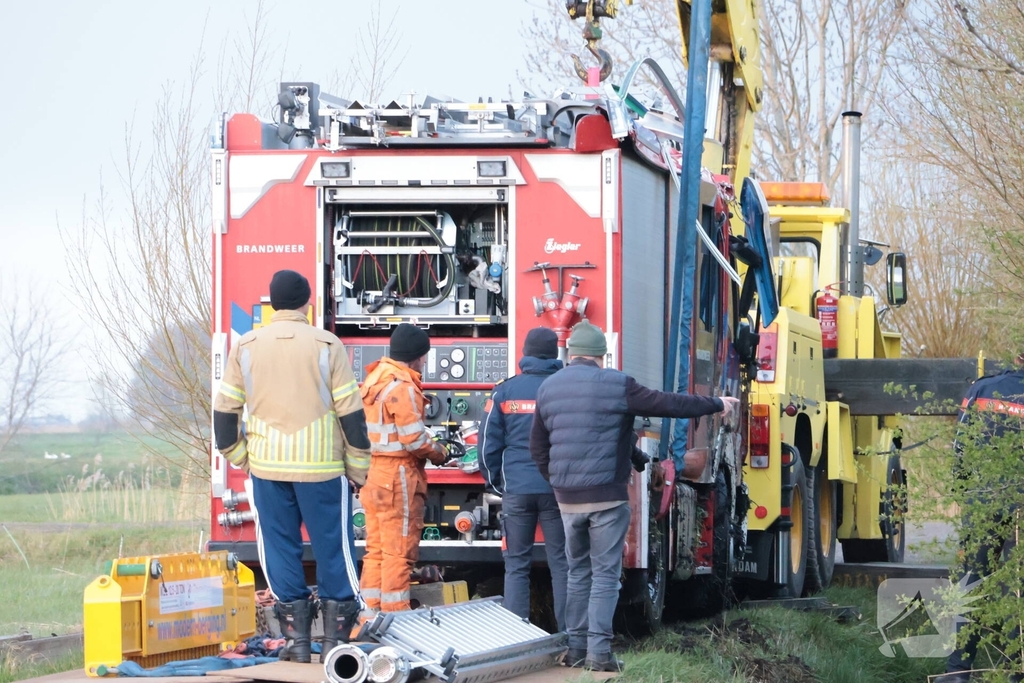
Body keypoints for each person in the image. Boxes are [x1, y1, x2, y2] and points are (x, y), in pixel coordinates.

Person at [530, 320, 739, 672]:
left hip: (567, 500)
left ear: (570, 354)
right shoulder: (616, 384)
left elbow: (537, 447)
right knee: (606, 575)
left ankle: (575, 650)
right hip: (607, 500)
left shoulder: (548, 388)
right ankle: (599, 654)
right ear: (601, 356)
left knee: (577, 574)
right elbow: (668, 403)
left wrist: (558, 482)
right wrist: (716, 402)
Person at [213, 269, 371, 663]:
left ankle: (296, 643)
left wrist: (240, 457)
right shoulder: (326, 344)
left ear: (271, 302)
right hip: (321, 469)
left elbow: (224, 411)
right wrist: (358, 467)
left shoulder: (245, 346)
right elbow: (351, 414)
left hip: (267, 469)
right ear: (307, 302)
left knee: (280, 549)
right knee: (334, 549)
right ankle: (336, 643)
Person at [941, 355, 1024, 682]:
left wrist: (964, 493)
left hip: (982, 501)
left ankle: (959, 670)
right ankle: (1018, 669)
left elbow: (961, 444)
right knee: (1018, 587)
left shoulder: (982, 389)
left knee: (973, 581)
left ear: (1018, 358)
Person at [481, 327, 569, 632]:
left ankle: (516, 636)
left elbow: (488, 444)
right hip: (558, 490)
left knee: (516, 565)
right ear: (555, 355)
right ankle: (569, 638)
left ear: (525, 354)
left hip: (516, 489)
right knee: (562, 564)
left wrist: (495, 483)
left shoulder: (504, 391)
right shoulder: (563, 388)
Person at [359, 324, 449, 613]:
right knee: (399, 553)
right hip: (397, 477)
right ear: (416, 357)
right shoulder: (403, 387)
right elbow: (413, 439)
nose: (424, 362)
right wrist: (439, 452)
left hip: (372, 474)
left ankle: (369, 619)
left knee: (376, 552)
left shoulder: (374, 379)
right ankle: (396, 622)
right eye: (424, 357)